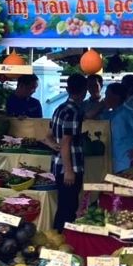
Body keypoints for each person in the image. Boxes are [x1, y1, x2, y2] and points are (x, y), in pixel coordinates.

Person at [48, 73, 87, 230]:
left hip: (57, 165)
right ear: (84, 91)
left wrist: (55, 145)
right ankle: (62, 238)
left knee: (64, 205)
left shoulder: (60, 109)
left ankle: (58, 237)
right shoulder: (73, 112)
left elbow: (48, 137)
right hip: (70, 166)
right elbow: (66, 142)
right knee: (69, 208)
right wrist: (69, 171)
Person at [100, 83, 133, 173]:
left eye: (107, 95)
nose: (105, 98)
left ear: (116, 97)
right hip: (111, 163)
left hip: (125, 163)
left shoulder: (127, 112)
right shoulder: (109, 114)